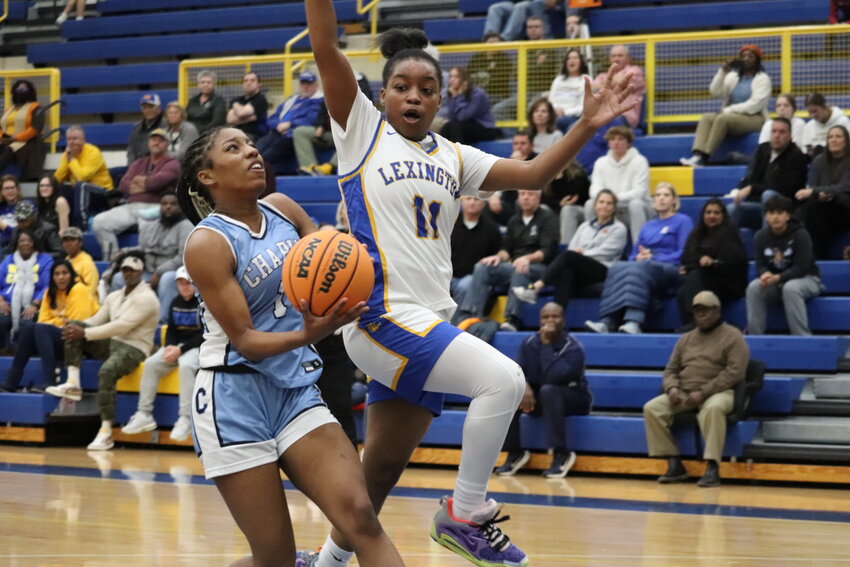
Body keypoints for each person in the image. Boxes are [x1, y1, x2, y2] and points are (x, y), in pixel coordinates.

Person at [304, 1, 638, 563]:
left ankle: (326, 563)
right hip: (380, 314)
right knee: (505, 380)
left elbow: (533, 174)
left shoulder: (455, 157)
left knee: (378, 474)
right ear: (382, 96)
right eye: (402, 86)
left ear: (441, 99)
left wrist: (585, 124)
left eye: (427, 88)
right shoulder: (361, 131)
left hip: (430, 320)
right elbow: (324, 44)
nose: (414, 96)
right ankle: (465, 512)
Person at [176, 126, 405, 567]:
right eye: (234, 148)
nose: (252, 151)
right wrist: (309, 333)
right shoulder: (208, 243)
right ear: (207, 176)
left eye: (250, 143)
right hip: (233, 398)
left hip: (295, 392)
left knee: (361, 516)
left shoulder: (282, 209)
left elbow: (330, 255)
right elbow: (245, 340)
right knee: (275, 559)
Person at [46, 255, 160, 451]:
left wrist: (86, 333)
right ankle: (73, 384)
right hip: (113, 343)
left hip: (135, 348)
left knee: (106, 370)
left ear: (141, 272)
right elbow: (96, 319)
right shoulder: (114, 296)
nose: (128, 273)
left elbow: (121, 327)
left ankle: (106, 431)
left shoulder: (147, 298)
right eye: (125, 270)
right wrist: (74, 328)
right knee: (75, 326)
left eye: (132, 270)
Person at [643, 290, 749, 488]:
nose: (700, 315)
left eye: (705, 310)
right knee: (652, 408)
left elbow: (735, 373)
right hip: (685, 392)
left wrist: (704, 392)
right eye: (697, 311)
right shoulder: (686, 339)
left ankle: (712, 466)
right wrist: (673, 388)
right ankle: (674, 463)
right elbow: (670, 370)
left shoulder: (733, 336)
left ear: (717, 312)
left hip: (719, 392)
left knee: (713, 408)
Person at [494, 302, 591, 478]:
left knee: (548, 390)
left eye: (555, 316)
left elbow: (552, 377)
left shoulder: (573, 347)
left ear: (563, 319)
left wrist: (546, 343)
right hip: (541, 397)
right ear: (540, 320)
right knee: (511, 393)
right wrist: (525, 387)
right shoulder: (529, 342)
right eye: (546, 317)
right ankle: (515, 452)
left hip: (574, 398)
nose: (550, 320)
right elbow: (518, 371)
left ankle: (561, 453)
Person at [585, 183, 693, 334]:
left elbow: (684, 252)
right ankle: (607, 321)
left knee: (640, 267)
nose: (661, 198)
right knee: (617, 267)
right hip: (645, 266)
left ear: (674, 200)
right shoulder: (648, 225)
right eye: (658, 195)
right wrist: (639, 257)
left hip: (669, 267)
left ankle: (633, 321)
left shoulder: (683, 220)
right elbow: (633, 254)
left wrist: (655, 257)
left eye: (666, 195)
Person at [457, 190, 558, 332]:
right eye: (522, 194)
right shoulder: (514, 221)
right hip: (515, 265)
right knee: (483, 266)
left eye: (530, 194)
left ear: (538, 198)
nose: (526, 197)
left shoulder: (547, 218)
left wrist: (527, 258)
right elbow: (506, 249)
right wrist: (498, 257)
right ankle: (472, 315)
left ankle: (512, 319)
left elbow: (546, 251)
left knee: (520, 269)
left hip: (539, 268)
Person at [121, 266, 201, 442]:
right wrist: (170, 347)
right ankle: (144, 413)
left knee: (186, 365)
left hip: (199, 347)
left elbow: (204, 335)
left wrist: (180, 350)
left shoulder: (203, 303)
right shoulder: (175, 302)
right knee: (151, 364)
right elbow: (172, 330)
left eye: (187, 282)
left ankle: (186, 418)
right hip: (178, 346)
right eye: (181, 283)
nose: (184, 286)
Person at [513, 189, 627, 309]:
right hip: (581, 268)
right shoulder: (584, 226)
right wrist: (577, 255)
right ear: (595, 205)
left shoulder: (619, 228)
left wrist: (583, 253)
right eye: (601, 202)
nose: (604, 206)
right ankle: (558, 317)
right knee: (565, 273)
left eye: (609, 203)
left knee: (569, 256)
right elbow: (572, 247)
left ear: (614, 208)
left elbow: (608, 252)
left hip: (603, 269)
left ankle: (534, 288)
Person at [0, 260, 98, 393]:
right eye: (57, 274)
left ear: (72, 275)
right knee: (30, 328)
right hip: (58, 338)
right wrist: (59, 321)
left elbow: (75, 324)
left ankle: (50, 381)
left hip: (81, 342)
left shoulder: (79, 290)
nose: (61, 277)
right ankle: (11, 381)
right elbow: (42, 320)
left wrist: (53, 322)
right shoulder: (49, 293)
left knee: (40, 329)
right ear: (52, 277)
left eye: (65, 273)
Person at [104, 192, 193, 323]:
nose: (168, 207)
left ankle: (163, 322)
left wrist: (159, 272)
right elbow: (142, 249)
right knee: (118, 278)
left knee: (167, 279)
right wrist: (123, 251)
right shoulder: (153, 225)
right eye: (164, 204)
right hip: (148, 272)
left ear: (180, 207)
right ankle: (117, 318)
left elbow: (182, 257)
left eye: (172, 204)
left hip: (171, 272)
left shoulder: (186, 226)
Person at [92, 129, 180, 261]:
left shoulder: (172, 163)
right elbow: (124, 184)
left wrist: (142, 183)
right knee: (99, 222)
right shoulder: (139, 163)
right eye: (153, 139)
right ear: (149, 142)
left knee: (148, 231)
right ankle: (112, 260)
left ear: (167, 144)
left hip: (155, 208)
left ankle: (143, 266)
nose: (156, 143)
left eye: (160, 140)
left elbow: (157, 182)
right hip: (131, 206)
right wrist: (146, 184)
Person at [680, 45, 771, 167]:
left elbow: (755, 105)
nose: (746, 59)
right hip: (733, 116)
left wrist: (728, 110)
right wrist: (722, 72)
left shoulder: (763, 79)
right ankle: (697, 154)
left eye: (750, 56)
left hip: (755, 118)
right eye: (743, 56)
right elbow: (714, 92)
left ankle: (705, 158)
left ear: (758, 60)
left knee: (722, 118)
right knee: (706, 118)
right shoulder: (733, 77)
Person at [746, 195, 822, 335]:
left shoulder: (800, 234)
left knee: (790, 288)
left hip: (808, 278)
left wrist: (778, 278)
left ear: (788, 216)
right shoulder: (760, 236)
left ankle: (802, 338)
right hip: (778, 281)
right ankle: (755, 337)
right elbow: (760, 265)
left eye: (780, 213)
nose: (776, 217)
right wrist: (764, 274)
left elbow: (802, 267)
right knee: (754, 287)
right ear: (766, 217)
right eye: (772, 213)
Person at [676, 199, 748, 331]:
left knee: (695, 276)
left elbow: (733, 262)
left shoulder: (730, 233)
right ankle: (693, 324)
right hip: (703, 277)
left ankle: (698, 323)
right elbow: (687, 258)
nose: (712, 216)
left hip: (727, 282)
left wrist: (713, 262)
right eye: (708, 212)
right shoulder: (696, 233)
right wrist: (699, 262)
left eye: (716, 213)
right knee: (682, 290)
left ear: (723, 215)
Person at [727, 117, 809, 230]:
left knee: (769, 196)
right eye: (774, 131)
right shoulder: (762, 149)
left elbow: (785, 188)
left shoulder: (796, 156)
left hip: (784, 210)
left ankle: (767, 241)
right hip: (758, 205)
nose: (777, 135)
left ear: (790, 136)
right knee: (731, 209)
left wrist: (753, 188)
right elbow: (751, 178)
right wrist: (745, 188)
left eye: (782, 132)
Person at [584, 125, 651, 242]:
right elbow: (594, 190)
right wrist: (607, 202)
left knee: (635, 204)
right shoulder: (600, 162)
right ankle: (589, 244)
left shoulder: (640, 161)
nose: (616, 142)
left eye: (620, 139)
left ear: (628, 143)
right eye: (612, 139)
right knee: (590, 204)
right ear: (608, 143)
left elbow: (639, 192)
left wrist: (613, 199)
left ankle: (639, 249)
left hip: (634, 209)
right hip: (610, 208)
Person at [793, 125, 850, 259]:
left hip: (845, 209)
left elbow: (845, 188)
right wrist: (819, 194)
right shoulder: (819, 161)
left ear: (846, 141)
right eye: (830, 137)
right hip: (821, 207)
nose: (833, 140)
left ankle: (817, 258)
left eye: (838, 137)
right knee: (802, 212)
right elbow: (812, 185)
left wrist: (818, 191)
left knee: (813, 212)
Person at [492, 16, 560, 121]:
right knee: (497, 110)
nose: (533, 30)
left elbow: (555, 74)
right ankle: (513, 134)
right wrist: (537, 66)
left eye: (536, 27)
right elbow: (515, 75)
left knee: (532, 110)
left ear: (543, 29)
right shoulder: (522, 48)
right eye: (530, 27)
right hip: (523, 93)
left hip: (543, 92)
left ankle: (529, 136)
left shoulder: (552, 49)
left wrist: (529, 68)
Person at [256, 71, 324, 173]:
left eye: (308, 84)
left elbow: (311, 119)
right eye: (303, 83)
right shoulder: (292, 100)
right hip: (278, 132)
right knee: (260, 144)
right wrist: (278, 125)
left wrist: (290, 124)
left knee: (274, 149)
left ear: (315, 85)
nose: (305, 87)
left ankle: (257, 169)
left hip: (293, 134)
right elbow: (273, 117)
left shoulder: (318, 100)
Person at [0, 230, 53, 350]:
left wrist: (35, 304)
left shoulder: (45, 260)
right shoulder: (8, 260)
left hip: (34, 304)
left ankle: (21, 351)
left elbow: (48, 286)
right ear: (16, 244)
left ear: (34, 243)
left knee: (26, 323)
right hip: (7, 304)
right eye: (22, 241)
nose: (25, 243)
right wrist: (1, 301)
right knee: (1, 320)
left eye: (29, 241)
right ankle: (5, 349)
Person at [53, 126, 114, 227]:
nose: (72, 142)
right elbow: (58, 178)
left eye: (75, 139)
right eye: (69, 139)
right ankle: (61, 224)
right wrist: (67, 160)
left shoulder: (93, 152)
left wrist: (72, 160)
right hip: (80, 193)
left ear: (83, 140)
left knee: (81, 186)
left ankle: (81, 224)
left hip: (102, 192)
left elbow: (83, 177)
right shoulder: (67, 154)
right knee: (59, 187)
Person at [451, 196, 502, 309]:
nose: (472, 203)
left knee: (466, 285)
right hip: (447, 277)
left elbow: (496, 256)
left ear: (483, 203)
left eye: (476, 199)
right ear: (461, 201)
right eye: (468, 199)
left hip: (474, 279)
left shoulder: (492, 229)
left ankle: (458, 322)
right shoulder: (449, 226)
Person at [485, 131, 536, 226]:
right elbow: (497, 182)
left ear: (532, 146)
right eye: (516, 143)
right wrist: (493, 196)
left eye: (523, 143)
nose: (519, 147)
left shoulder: (537, 160)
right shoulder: (508, 161)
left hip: (533, 205)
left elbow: (535, 185)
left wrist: (520, 167)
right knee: (486, 205)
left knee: (520, 202)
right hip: (510, 206)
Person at [440, 66, 499, 146]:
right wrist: (454, 97)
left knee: (455, 128)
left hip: (484, 129)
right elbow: (452, 117)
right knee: (446, 127)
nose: (452, 80)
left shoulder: (478, 94)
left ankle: (460, 155)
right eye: (451, 76)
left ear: (464, 79)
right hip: (465, 127)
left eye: (456, 76)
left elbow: (463, 117)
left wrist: (459, 97)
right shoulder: (453, 93)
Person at [592, 45, 646, 130]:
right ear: (609, 59)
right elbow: (593, 89)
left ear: (628, 58)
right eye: (613, 56)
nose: (616, 59)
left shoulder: (635, 71)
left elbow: (621, 81)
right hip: (605, 115)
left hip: (625, 117)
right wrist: (613, 81)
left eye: (620, 55)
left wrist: (604, 84)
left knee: (606, 123)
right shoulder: (602, 75)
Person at [0, 80, 45, 181]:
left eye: (23, 89)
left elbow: (35, 129)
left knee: (9, 149)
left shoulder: (36, 108)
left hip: (25, 141)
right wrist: (2, 137)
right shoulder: (8, 109)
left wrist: (16, 138)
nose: (20, 91)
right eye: (18, 89)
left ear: (30, 92)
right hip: (6, 140)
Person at [543, 157, 590, 245]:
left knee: (567, 209)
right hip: (557, 210)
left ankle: (565, 246)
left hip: (579, 211)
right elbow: (543, 199)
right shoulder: (548, 175)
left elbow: (575, 196)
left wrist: (560, 177)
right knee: (542, 209)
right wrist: (559, 204)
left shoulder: (577, 173)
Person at [467, 32, 515, 105]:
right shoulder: (476, 58)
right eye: (491, 42)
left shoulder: (504, 58)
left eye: (496, 43)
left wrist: (483, 75)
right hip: (478, 94)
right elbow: (469, 76)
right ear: (485, 44)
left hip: (498, 95)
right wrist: (488, 72)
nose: (494, 45)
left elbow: (500, 80)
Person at [549, 48, 589, 133]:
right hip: (555, 114)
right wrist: (555, 110)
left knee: (560, 122)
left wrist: (564, 112)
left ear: (581, 62)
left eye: (575, 58)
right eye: (569, 58)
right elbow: (551, 100)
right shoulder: (558, 80)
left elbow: (584, 106)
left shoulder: (586, 79)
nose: (571, 60)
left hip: (575, 117)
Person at [226, 71, 269, 141]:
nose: (248, 83)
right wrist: (247, 117)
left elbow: (241, 114)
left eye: (252, 80)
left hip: (255, 138)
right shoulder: (237, 100)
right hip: (236, 136)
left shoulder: (260, 99)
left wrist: (236, 107)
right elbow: (230, 119)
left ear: (259, 84)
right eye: (246, 81)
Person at [61, 226, 99, 299]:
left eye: (72, 240)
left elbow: (90, 291)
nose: (68, 243)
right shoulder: (66, 260)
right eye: (65, 240)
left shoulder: (87, 263)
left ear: (80, 243)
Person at [127, 93, 166, 164]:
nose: (147, 110)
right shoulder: (137, 127)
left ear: (159, 109)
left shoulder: (166, 125)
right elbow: (131, 151)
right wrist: (131, 167)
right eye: (145, 107)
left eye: (151, 107)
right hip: (138, 166)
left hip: (158, 165)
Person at [186, 70, 227, 135]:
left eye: (209, 82)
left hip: (210, 135)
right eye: (202, 82)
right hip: (191, 135)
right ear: (198, 84)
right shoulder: (192, 101)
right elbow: (187, 119)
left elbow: (217, 122)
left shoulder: (219, 100)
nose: (205, 85)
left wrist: (200, 132)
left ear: (214, 84)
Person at [0, 175, 24, 249]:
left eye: (12, 188)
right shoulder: (1, 206)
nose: (10, 191)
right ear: (2, 191)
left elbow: (23, 232)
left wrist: (3, 226)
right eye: (6, 188)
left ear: (17, 189)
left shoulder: (24, 206)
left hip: (15, 244)